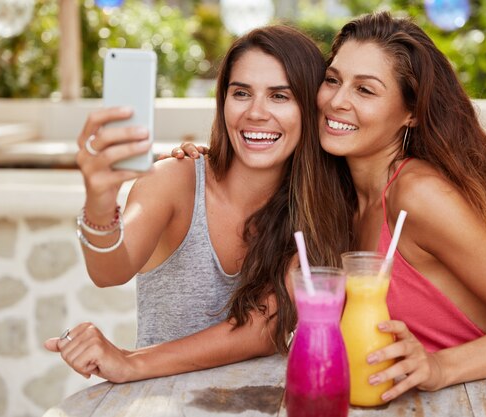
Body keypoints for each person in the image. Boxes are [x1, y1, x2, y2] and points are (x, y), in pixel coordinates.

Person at [177, 12, 486, 402]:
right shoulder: (337, 193)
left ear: (411, 113)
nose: (336, 101)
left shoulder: (419, 195)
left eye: (365, 90)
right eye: (332, 80)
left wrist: (440, 366)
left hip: (484, 401)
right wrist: (217, 162)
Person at [44, 25, 353, 383]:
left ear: (309, 109)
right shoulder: (174, 179)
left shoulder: (316, 203)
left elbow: (261, 329)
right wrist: (100, 202)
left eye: (280, 96)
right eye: (241, 93)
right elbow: (109, 271)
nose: (255, 112)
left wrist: (132, 361)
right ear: (223, 102)